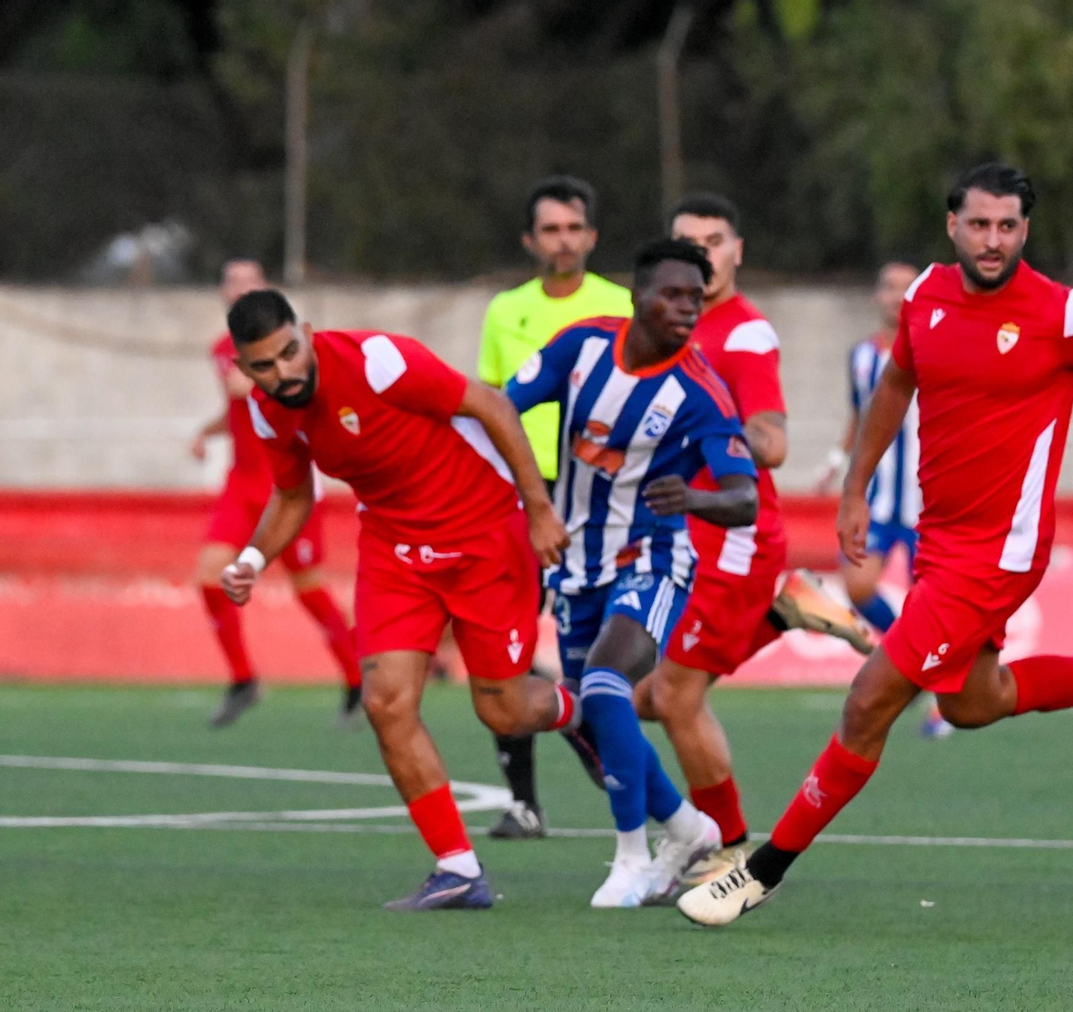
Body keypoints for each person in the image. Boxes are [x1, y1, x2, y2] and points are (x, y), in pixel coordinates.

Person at [678, 163, 1073, 927]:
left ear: (1026, 230)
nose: (992, 240)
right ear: (951, 225)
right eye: (979, 224)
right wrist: (856, 486)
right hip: (941, 538)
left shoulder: (1065, 313)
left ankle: (758, 872)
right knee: (971, 703)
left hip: (1000, 551)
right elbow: (895, 387)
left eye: (1008, 226)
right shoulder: (926, 296)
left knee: (868, 701)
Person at [218, 289, 578, 911]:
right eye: (264, 367)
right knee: (387, 702)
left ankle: (585, 712)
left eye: (289, 353)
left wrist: (540, 511)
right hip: (394, 550)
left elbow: (491, 405)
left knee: (505, 712)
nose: (284, 373)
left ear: (305, 332)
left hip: (482, 531)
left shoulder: (378, 360)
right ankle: (458, 869)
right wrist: (251, 559)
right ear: (245, 369)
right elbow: (293, 496)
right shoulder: (268, 412)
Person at [504, 239, 759, 907]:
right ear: (636, 298)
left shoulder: (700, 390)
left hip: (653, 557)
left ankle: (631, 856)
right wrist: (530, 503)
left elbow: (745, 497)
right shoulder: (581, 345)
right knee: (595, 707)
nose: (686, 308)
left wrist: (696, 497)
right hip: (574, 563)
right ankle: (687, 826)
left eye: (696, 299)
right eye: (672, 295)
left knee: (606, 681)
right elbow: (503, 408)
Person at [631, 193, 872, 880]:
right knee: (642, 697)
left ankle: (729, 847)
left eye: (715, 240)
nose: (703, 253)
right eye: (688, 241)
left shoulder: (743, 335)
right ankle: (781, 608)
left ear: (739, 250)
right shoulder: (667, 326)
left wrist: (709, 426)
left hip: (733, 534)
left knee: (673, 696)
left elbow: (772, 443)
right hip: (682, 531)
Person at [476, 175, 633, 841]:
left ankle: (644, 798)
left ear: (592, 236)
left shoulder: (623, 304)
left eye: (574, 228)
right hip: (518, 494)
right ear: (530, 240)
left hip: (601, 499)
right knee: (500, 647)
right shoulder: (504, 311)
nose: (563, 241)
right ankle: (525, 803)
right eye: (551, 230)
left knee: (608, 656)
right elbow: (486, 405)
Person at [188, 259, 361, 727]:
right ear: (223, 293)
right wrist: (207, 431)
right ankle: (244, 679)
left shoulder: (287, 350)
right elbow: (238, 409)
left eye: (249, 281)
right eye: (232, 282)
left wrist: (257, 381)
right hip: (240, 484)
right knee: (209, 576)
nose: (240, 288)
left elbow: (278, 397)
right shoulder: (222, 350)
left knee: (308, 589)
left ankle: (356, 679)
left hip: (285, 486)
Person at [818, 260, 951, 739]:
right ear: (877, 296)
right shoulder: (860, 356)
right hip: (876, 500)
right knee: (856, 586)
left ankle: (935, 696)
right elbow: (859, 416)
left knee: (932, 604)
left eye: (906, 288)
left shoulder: (941, 347)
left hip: (928, 503)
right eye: (889, 287)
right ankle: (906, 659)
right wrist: (837, 460)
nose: (897, 296)